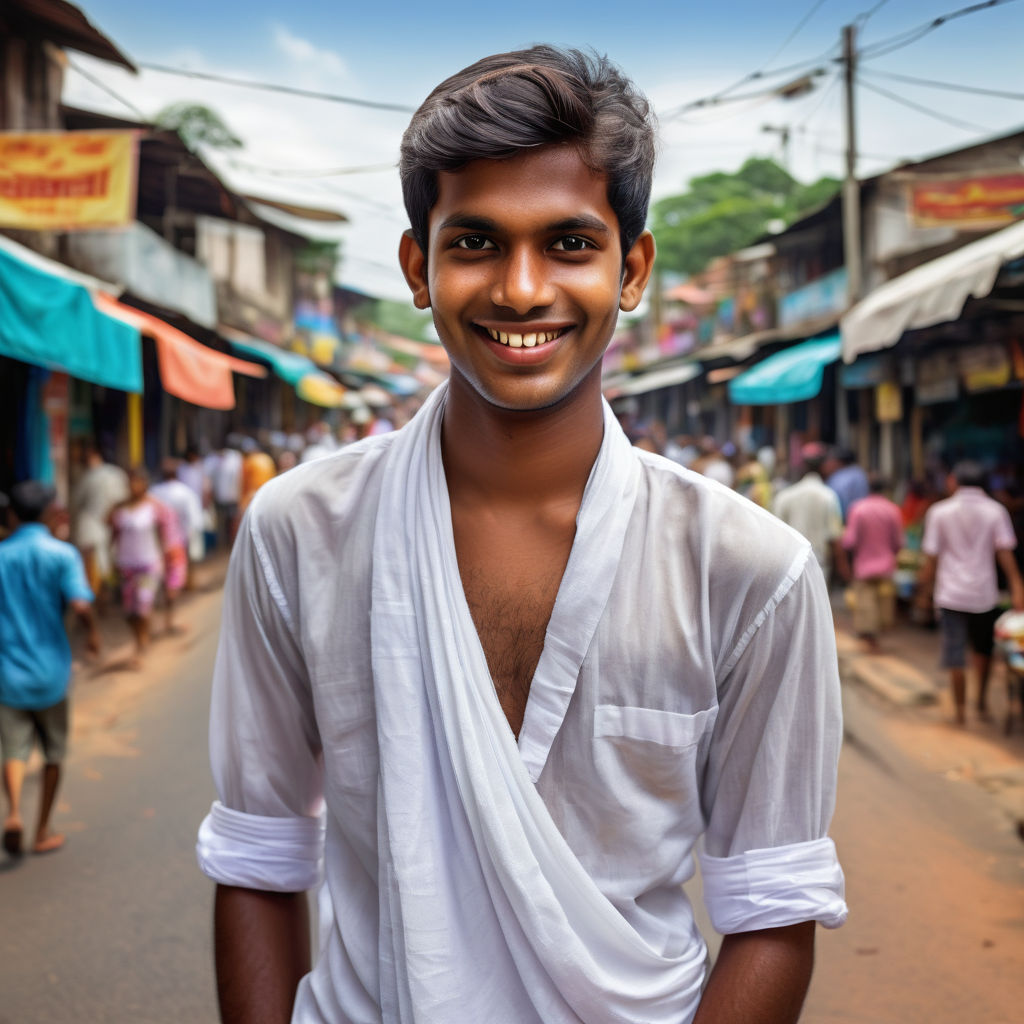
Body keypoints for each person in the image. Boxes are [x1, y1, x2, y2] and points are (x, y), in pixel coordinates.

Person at [197, 46, 846, 1024]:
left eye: (570, 244)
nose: (521, 288)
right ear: (419, 267)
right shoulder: (300, 532)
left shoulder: (751, 571)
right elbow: (257, 856)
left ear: (632, 268)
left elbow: (772, 903)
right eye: (475, 244)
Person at [1, 481, 99, 857]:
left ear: (12, 514)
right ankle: (42, 829)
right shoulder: (62, 554)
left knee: (13, 750)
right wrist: (93, 636)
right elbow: (81, 603)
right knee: (54, 753)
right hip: (51, 672)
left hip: (7, 672)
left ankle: (12, 812)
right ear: (48, 513)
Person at [918, 461, 1024, 725]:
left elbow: (931, 558)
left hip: (950, 593)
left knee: (955, 655)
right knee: (983, 649)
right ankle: (982, 702)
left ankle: (960, 711)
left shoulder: (939, 512)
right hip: (983, 593)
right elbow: (1005, 553)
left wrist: (923, 590)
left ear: (954, 481)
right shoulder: (995, 511)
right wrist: (1017, 586)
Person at [110, 467, 166, 667]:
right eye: (130, 482)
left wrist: (166, 557)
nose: (133, 486)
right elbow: (113, 534)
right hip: (126, 565)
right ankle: (138, 638)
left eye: (137, 482)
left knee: (143, 605)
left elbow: (164, 533)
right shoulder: (119, 509)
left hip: (149, 564)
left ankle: (142, 644)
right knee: (129, 611)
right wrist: (112, 559)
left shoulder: (154, 507)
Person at [841, 475, 904, 651]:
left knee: (865, 604)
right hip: (886, 566)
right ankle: (877, 640)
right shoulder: (893, 510)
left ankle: (869, 640)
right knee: (883, 603)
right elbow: (899, 542)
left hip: (864, 566)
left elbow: (849, 541)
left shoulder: (858, 509)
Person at [774, 442, 845, 581]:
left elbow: (776, 535)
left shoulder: (785, 496)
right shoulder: (828, 496)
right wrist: (843, 569)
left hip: (787, 567)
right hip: (819, 567)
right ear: (823, 467)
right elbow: (835, 537)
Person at [69, 442, 129, 606]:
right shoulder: (116, 474)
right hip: (110, 525)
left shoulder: (88, 477)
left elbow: (74, 503)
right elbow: (123, 499)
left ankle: (99, 601)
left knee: (95, 566)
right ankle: (105, 598)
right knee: (106, 563)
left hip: (94, 526)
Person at [827, 449, 869, 523]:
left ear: (839, 462)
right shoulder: (860, 473)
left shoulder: (838, 477)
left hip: (845, 518)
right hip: (863, 516)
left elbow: (835, 498)